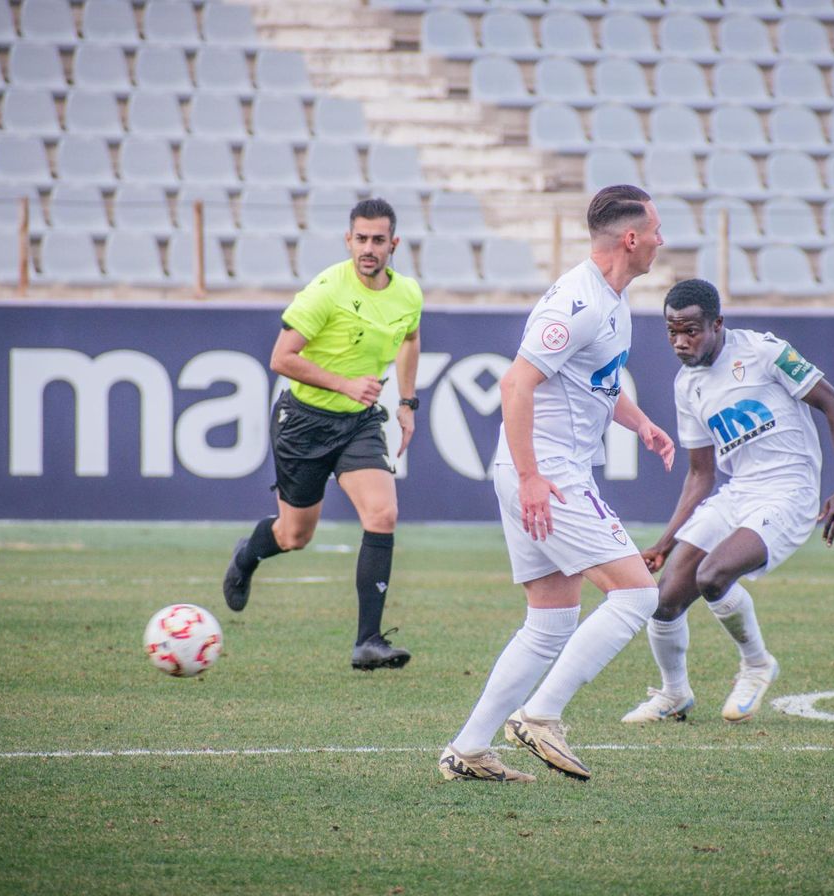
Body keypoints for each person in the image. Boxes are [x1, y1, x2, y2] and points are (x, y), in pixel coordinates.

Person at [438, 185, 674, 784]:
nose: (660, 241)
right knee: (638, 594)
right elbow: (515, 385)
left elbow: (597, 380)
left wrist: (640, 422)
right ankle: (541, 715)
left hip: (541, 472)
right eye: (655, 230)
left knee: (549, 621)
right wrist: (532, 477)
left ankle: (467, 750)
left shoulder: (612, 299)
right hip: (548, 474)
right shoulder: (579, 302)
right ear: (630, 238)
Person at [620, 279, 834, 726]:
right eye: (672, 332)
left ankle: (756, 664)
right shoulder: (685, 385)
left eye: (691, 330)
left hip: (789, 491)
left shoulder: (766, 353)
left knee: (713, 576)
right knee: (665, 599)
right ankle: (674, 695)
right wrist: (664, 544)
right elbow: (700, 475)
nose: (681, 342)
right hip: (740, 491)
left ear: (717, 324)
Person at [221, 197, 424, 670]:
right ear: (348, 240)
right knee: (295, 536)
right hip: (305, 423)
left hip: (359, 422)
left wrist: (407, 404)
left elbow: (410, 338)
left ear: (394, 243)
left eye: (378, 240)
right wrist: (347, 384)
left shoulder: (408, 294)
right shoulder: (326, 291)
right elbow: (281, 359)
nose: (368, 248)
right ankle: (247, 556)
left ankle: (368, 642)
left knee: (383, 512)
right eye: (361, 239)